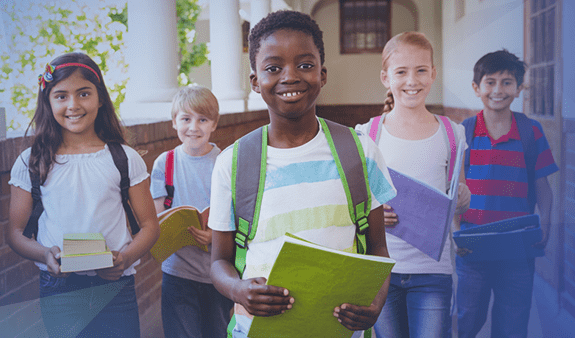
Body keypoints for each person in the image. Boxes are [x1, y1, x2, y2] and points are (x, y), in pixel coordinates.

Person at [207, 10, 398, 338]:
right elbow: (218, 262)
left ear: (322, 75)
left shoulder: (360, 151)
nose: (290, 76)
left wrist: (376, 302)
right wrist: (238, 290)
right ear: (255, 81)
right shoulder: (233, 163)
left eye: (305, 65)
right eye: (273, 67)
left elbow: (378, 248)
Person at [7, 52, 160, 338]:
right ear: (48, 102)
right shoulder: (32, 161)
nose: (73, 105)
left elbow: (150, 227)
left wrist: (125, 259)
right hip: (59, 290)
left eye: (84, 94)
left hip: (115, 287)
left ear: (100, 98)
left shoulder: (123, 158)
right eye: (61, 96)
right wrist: (45, 255)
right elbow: (15, 233)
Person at [355, 31, 471, 338]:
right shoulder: (369, 134)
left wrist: (461, 197)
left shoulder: (452, 133)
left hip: (433, 269)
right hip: (383, 270)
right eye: (401, 72)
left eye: (421, 70)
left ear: (433, 73)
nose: (412, 80)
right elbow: (358, 201)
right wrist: (374, 210)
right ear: (385, 77)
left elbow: (460, 193)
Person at [455, 49, 558, 338]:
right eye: (490, 82)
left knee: (512, 322)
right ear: (477, 88)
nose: (498, 90)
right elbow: (453, 192)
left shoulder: (530, 131)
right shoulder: (465, 132)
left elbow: (543, 190)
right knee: (467, 320)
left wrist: (545, 229)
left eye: (507, 82)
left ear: (519, 88)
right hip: (473, 246)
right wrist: (455, 234)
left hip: (518, 246)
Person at [150, 85, 233, 338]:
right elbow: (157, 219)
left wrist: (214, 237)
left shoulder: (226, 161)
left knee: (216, 333)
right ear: (174, 122)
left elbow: (238, 217)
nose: (194, 127)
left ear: (214, 124)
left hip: (217, 273)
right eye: (186, 119)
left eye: (203, 119)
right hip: (177, 272)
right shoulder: (165, 163)